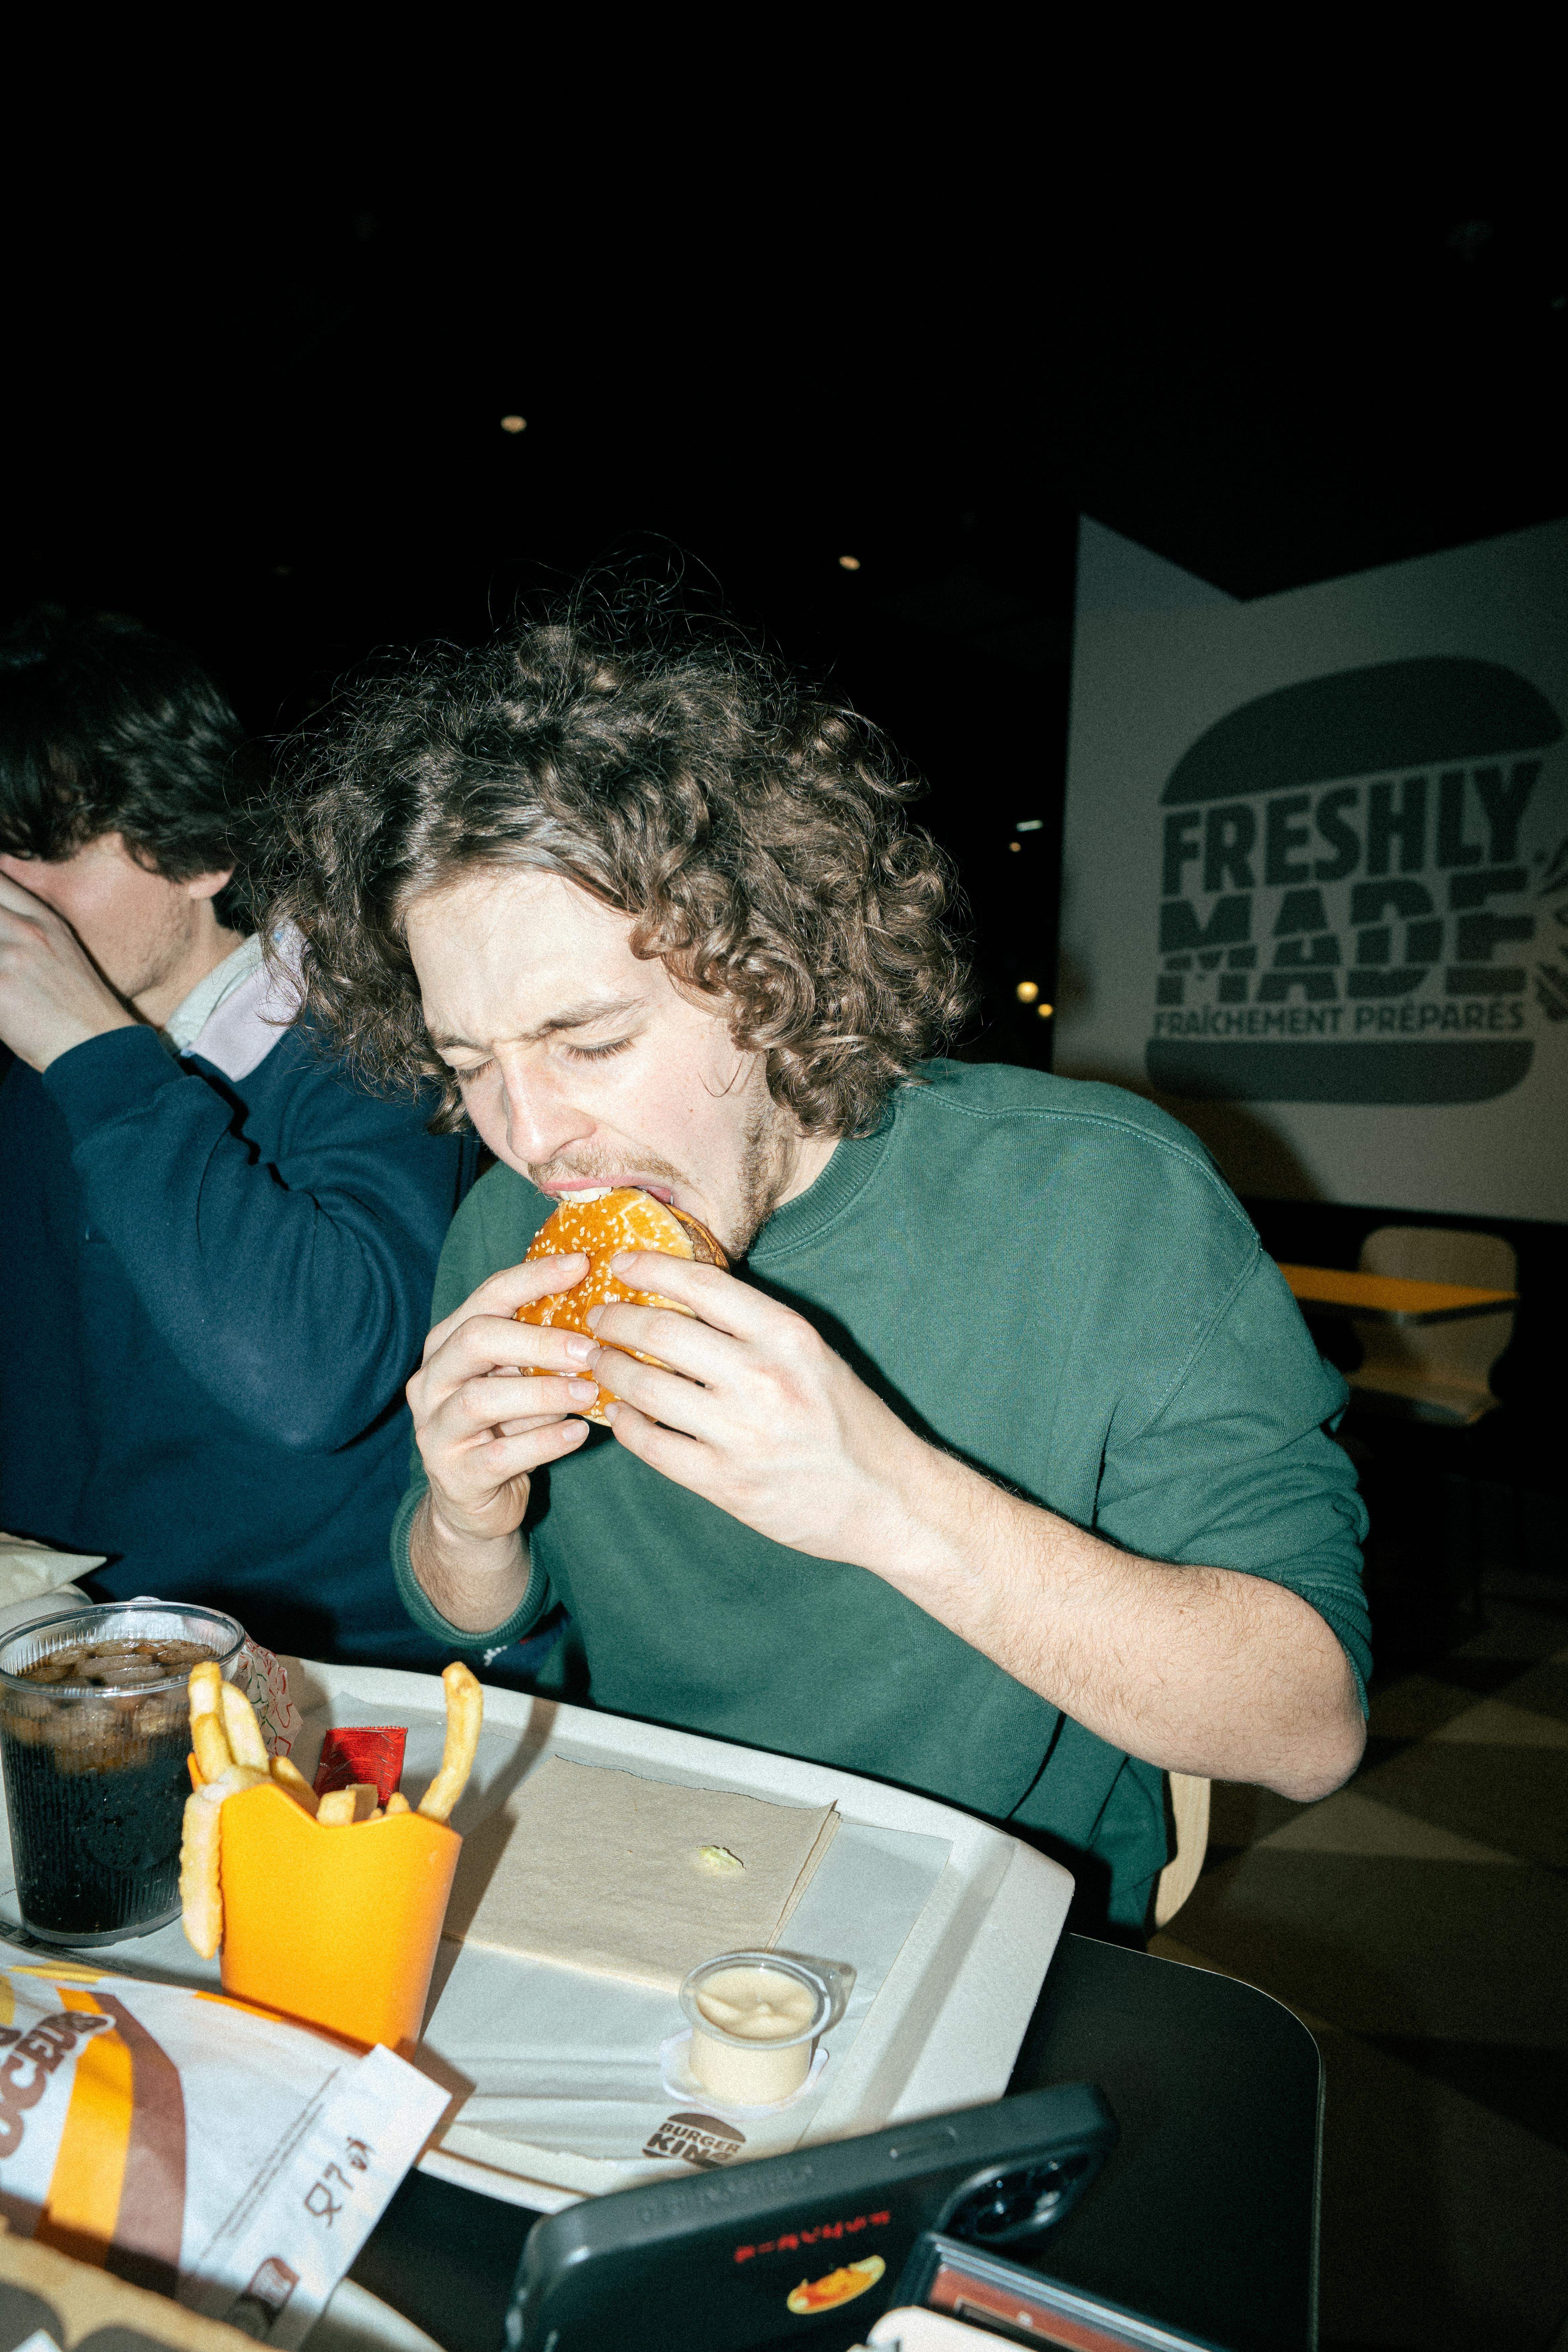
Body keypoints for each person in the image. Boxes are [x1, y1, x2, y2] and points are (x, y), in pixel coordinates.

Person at [270, 604, 1371, 1930]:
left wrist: (885, 1500)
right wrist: (467, 1522)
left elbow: (1303, 1728)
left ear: (768, 965)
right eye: (469, 1063)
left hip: (989, 1913)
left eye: (591, 1040)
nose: (530, 1133)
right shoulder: (508, 1235)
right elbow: (466, 1612)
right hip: (635, 1873)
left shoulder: (1099, 1196)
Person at [0, 607, 483, 1663]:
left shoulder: (368, 1041)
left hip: (339, 1666)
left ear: (201, 853)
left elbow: (317, 1381)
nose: (9, 900)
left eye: (40, 851)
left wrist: (94, 1056)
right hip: (73, 1651)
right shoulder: (31, 1083)